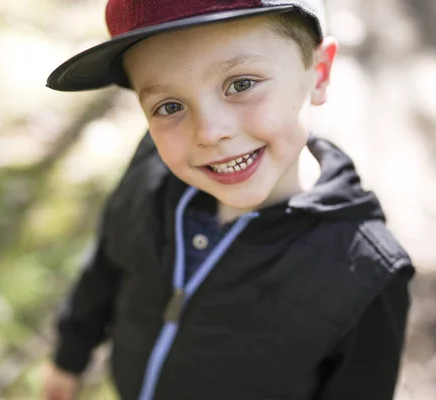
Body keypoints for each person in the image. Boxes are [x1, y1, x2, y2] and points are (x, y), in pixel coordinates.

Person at [42, 1, 415, 399]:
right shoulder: (151, 167)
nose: (209, 132)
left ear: (319, 73)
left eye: (241, 84)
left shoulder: (367, 273)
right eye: (170, 106)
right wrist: (69, 355)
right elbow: (108, 261)